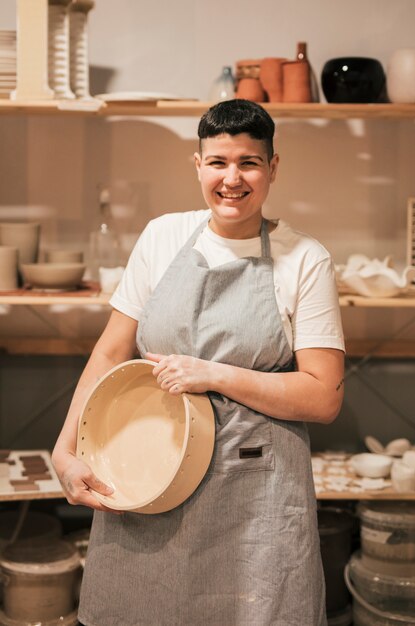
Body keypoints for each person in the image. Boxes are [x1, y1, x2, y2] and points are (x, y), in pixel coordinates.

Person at [52, 99, 345, 626]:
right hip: (147, 475)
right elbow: (111, 350)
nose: (232, 179)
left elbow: (323, 397)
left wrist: (213, 373)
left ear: (273, 168)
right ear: (198, 165)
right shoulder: (162, 237)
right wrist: (64, 448)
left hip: (254, 497)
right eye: (218, 162)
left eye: (249, 163)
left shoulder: (305, 258)